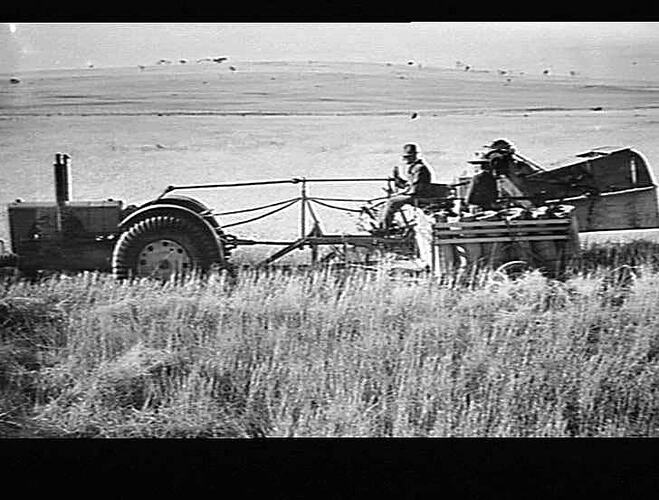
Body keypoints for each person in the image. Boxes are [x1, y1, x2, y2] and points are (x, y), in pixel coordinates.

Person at [377, 143, 435, 231]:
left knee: (392, 201)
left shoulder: (419, 168)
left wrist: (400, 193)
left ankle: (384, 229)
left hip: (419, 196)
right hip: (415, 194)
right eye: (405, 157)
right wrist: (398, 179)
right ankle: (385, 224)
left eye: (408, 157)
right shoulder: (415, 167)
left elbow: (415, 188)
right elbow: (409, 185)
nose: (406, 159)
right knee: (389, 201)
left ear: (415, 156)